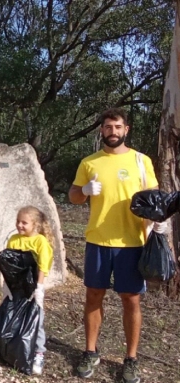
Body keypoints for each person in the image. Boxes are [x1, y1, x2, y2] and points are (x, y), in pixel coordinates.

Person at [68, 107, 167, 383]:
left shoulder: (141, 161)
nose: (113, 132)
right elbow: (74, 195)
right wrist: (85, 191)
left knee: (131, 300)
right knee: (93, 296)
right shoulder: (90, 162)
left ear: (126, 130)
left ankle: (131, 359)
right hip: (97, 240)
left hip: (132, 242)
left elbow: (154, 198)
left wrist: (159, 222)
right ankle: (90, 351)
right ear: (102, 130)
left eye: (118, 127)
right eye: (108, 127)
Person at [5, 205, 54, 375]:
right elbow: (8, 263)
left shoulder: (40, 242)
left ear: (36, 225)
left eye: (24, 223)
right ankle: (15, 348)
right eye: (18, 221)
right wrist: (7, 286)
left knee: (36, 319)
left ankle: (38, 352)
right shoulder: (13, 239)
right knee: (14, 317)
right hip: (17, 287)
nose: (19, 225)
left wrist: (39, 288)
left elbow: (42, 266)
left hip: (34, 287)